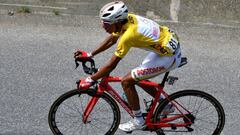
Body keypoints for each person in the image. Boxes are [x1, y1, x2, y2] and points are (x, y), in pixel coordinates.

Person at [74, 1, 182, 132]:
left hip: (168, 58)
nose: (103, 26)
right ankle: (167, 105)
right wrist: (90, 54)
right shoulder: (126, 19)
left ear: (117, 22)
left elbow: (112, 65)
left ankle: (138, 120)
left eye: (106, 23)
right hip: (165, 48)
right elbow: (112, 39)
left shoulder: (129, 36)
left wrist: (90, 79)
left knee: (126, 81)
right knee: (137, 76)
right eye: (103, 22)